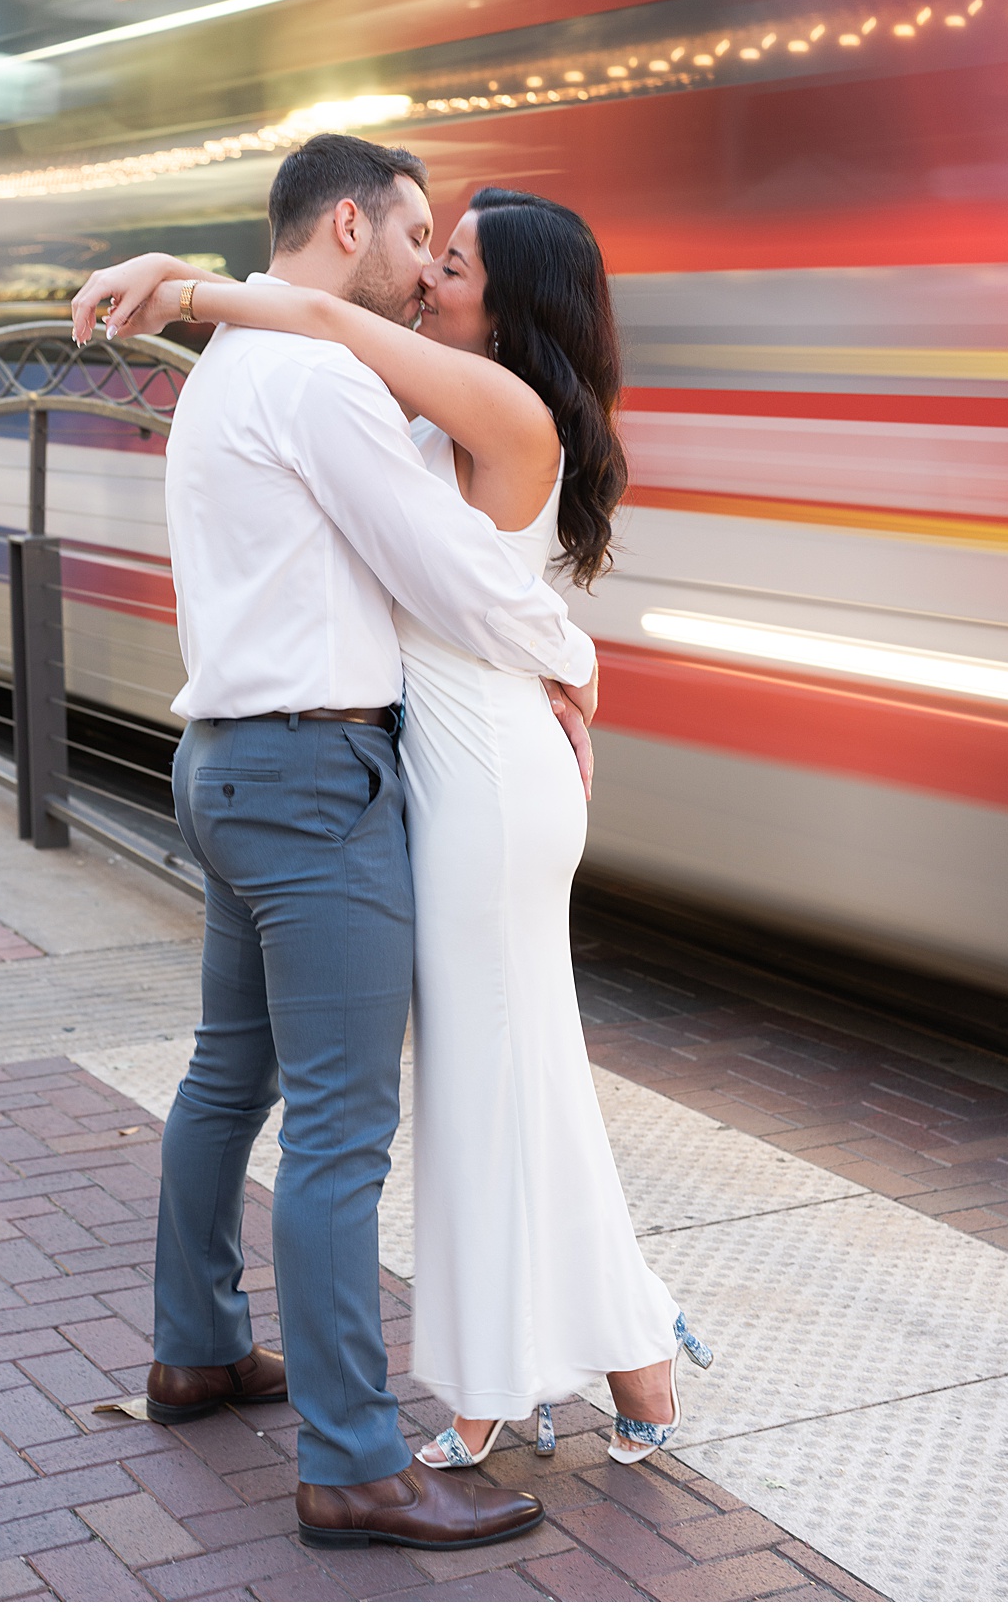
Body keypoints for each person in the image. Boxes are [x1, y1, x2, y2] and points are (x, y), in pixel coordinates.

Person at [73, 172, 713, 1476]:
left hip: (483, 775)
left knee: (482, 1084)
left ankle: (487, 1388)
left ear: (515, 300)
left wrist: (187, 284)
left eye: (459, 262)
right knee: (518, 1069)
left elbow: (341, 333)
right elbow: (336, 338)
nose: (433, 278)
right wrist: (569, 661)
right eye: (432, 249)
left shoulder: (508, 404)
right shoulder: (442, 394)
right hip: (466, 763)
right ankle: (634, 1351)